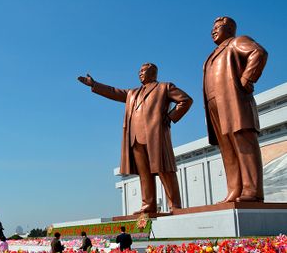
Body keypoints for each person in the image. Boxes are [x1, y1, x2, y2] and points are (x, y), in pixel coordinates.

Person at [78, 63, 193, 213]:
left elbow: (185, 100)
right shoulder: (132, 93)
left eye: (144, 71)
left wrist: (170, 116)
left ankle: (175, 205)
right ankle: (148, 204)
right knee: (144, 174)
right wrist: (94, 84)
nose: (140, 73)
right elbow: (114, 92)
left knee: (165, 170)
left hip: (155, 136)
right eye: (139, 71)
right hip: (136, 138)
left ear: (153, 73)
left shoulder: (164, 87)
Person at [203, 16, 268, 203]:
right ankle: (234, 189)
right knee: (227, 149)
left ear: (230, 29)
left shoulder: (237, 42)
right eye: (212, 28)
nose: (213, 31)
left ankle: (252, 190)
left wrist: (247, 78)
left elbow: (259, 52)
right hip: (215, 105)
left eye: (218, 27)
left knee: (243, 143)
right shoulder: (213, 54)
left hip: (234, 101)